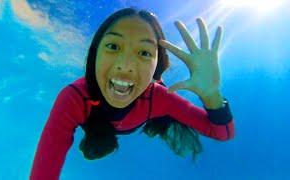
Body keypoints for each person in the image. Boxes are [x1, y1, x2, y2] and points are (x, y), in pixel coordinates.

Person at [30, 8, 234, 180]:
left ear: (156, 67)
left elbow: (222, 133)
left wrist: (211, 94)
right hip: (96, 124)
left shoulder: (158, 98)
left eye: (144, 52)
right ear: (94, 54)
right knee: (97, 146)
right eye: (113, 46)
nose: (125, 66)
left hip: (142, 111)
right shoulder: (74, 98)